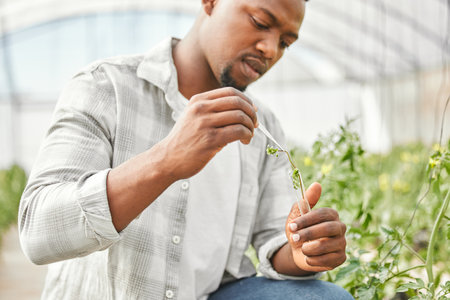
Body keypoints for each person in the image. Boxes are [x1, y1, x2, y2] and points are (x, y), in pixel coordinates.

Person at [19, 0, 353, 299]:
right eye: (260, 22)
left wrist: (304, 251)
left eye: (285, 43)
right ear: (210, 2)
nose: (270, 49)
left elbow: (276, 240)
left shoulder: (262, 126)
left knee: (325, 298)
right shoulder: (106, 87)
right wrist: (166, 161)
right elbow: (38, 231)